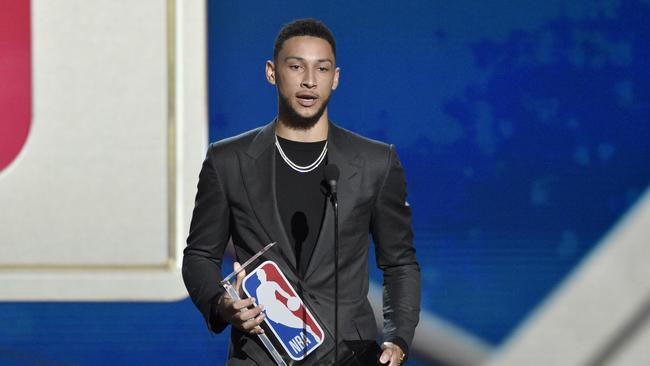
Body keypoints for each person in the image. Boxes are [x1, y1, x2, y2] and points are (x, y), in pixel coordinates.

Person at [183, 18, 420, 365]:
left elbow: (400, 262)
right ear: (271, 72)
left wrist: (398, 340)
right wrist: (222, 304)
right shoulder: (228, 160)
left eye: (321, 69)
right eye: (296, 66)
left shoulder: (375, 161)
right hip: (261, 353)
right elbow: (199, 255)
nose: (309, 81)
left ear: (335, 78)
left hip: (350, 354)